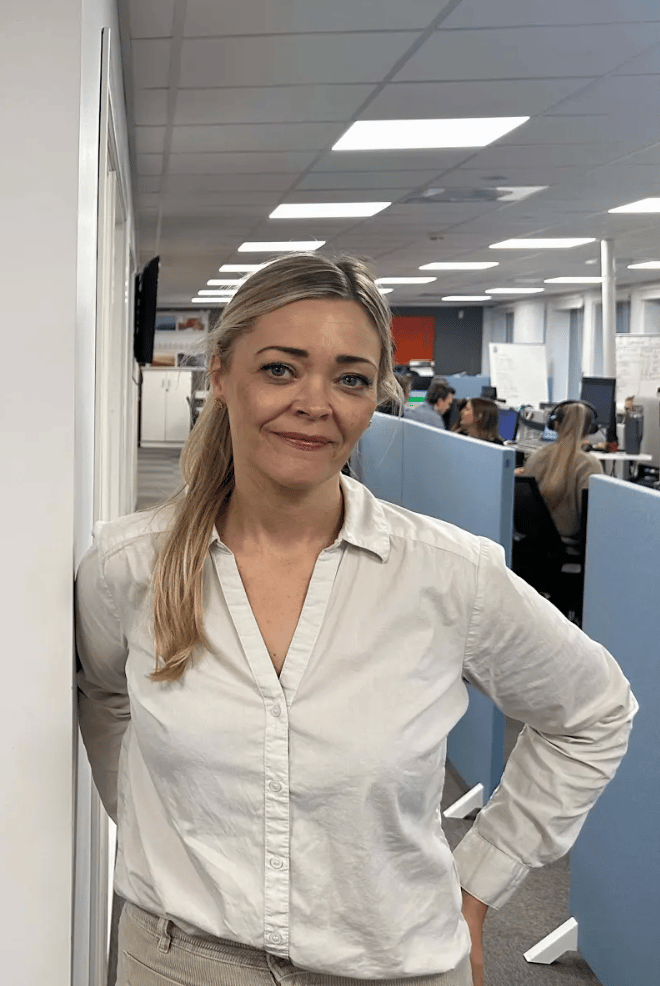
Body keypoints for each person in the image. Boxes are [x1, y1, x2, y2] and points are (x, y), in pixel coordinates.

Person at [75, 253, 636, 986]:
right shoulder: (130, 566)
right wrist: (157, 829)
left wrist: (477, 886)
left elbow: (594, 712)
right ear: (220, 374)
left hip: (388, 964)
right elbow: (105, 694)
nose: (317, 402)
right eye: (280, 368)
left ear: (375, 397)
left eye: (350, 378)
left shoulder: (445, 574)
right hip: (177, 960)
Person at [516, 401, 603, 542]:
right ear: (590, 429)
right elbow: (594, 517)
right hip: (565, 542)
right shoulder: (589, 465)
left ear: (555, 425)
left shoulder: (537, 456)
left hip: (531, 541)